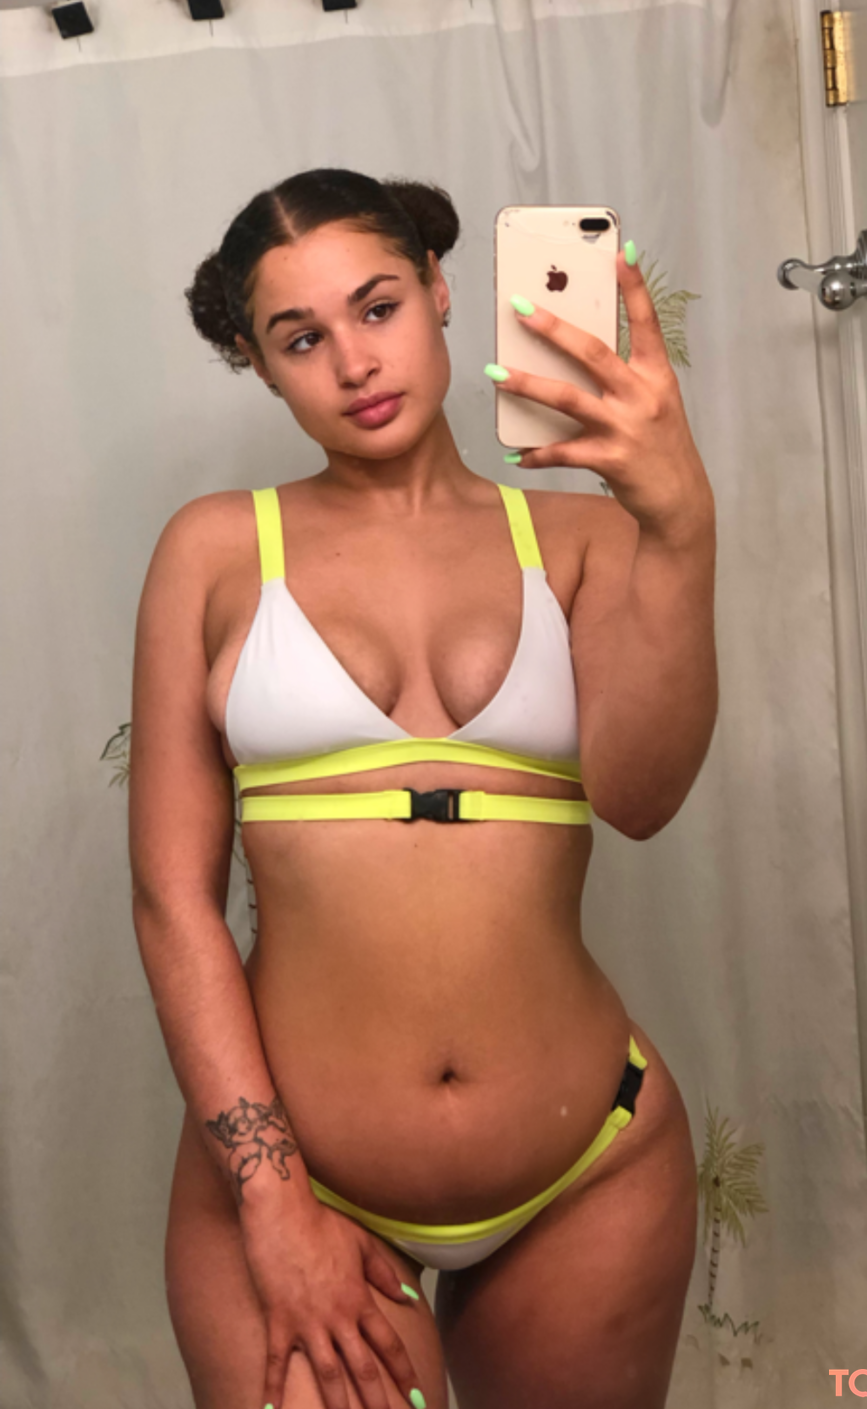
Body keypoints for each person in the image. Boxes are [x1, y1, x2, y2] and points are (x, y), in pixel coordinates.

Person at [129, 167, 717, 1409]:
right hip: (301, 1182)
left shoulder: (583, 538)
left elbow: (642, 794)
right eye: (301, 338)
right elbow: (172, 898)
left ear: (441, 290)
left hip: (591, 1165)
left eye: (378, 306)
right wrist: (271, 1200)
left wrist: (679, 531)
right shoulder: (213, 550)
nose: (355, 361)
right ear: (258, 363)